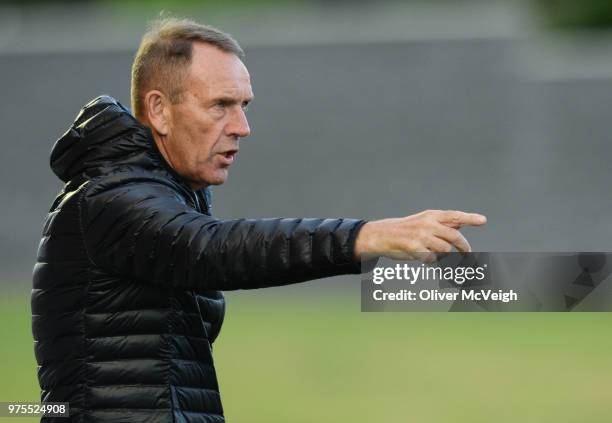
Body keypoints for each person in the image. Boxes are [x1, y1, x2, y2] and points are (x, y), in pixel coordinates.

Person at [32, 17, 486, 423]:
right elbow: (213, 249)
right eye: (220, 105)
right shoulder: (112, 198)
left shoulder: (156, 192)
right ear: (159, 110)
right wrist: (368, 236)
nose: (241, 126)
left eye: (244, 104)